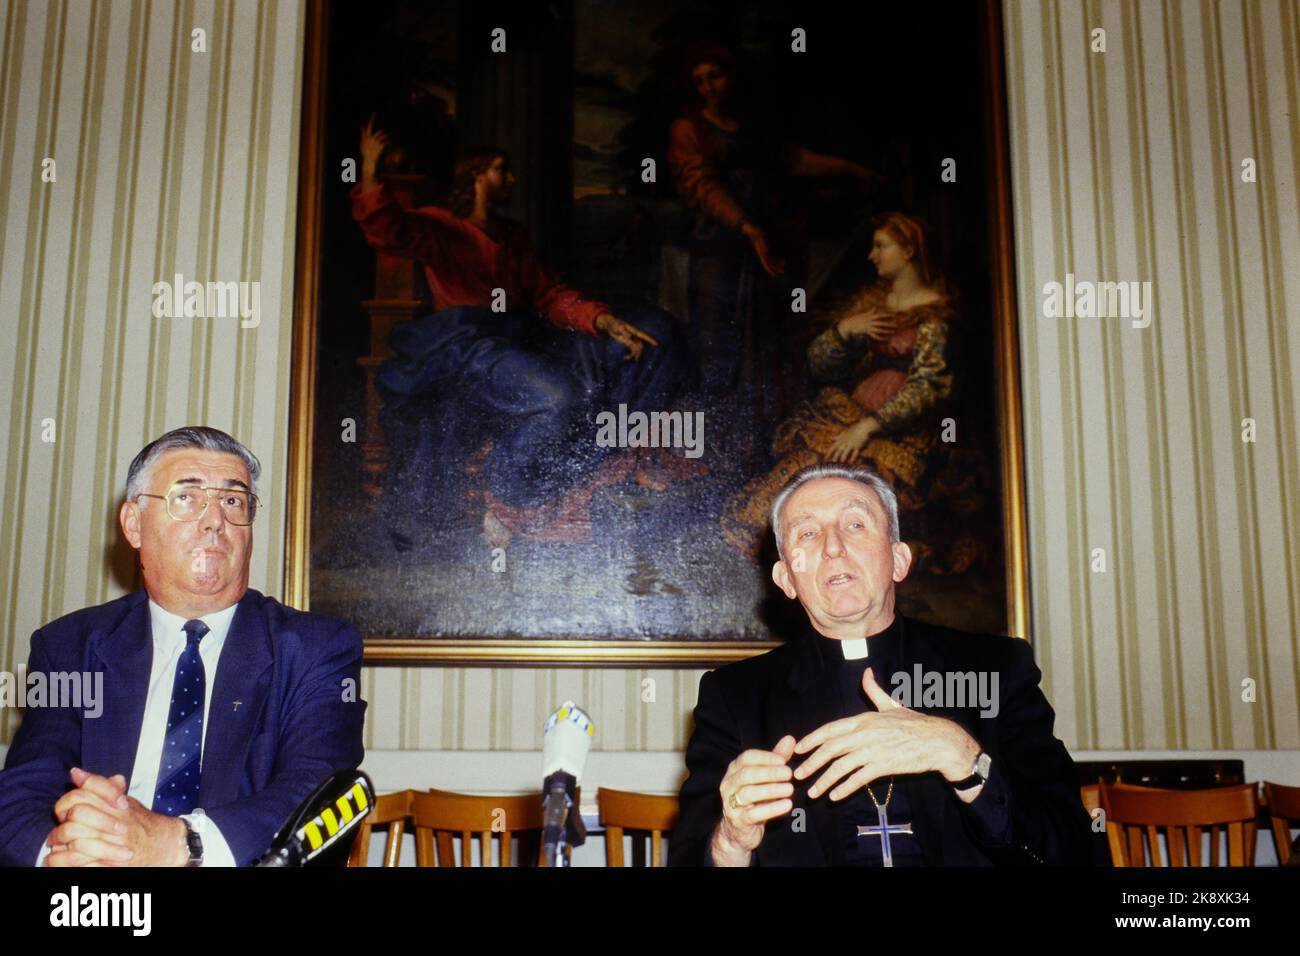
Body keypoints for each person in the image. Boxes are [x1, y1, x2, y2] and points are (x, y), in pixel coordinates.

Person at [671, 464, 1103, 866]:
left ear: (899, 560)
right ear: (786, 579)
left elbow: (1076, 850)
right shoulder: (734, 697)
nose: (833, 548)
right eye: (807, 534)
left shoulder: (995, 668)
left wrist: (963, 756)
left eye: (855, 525)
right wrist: (731, 838)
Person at [0, 427, 366, 867]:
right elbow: (23, 792)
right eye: (186, 498)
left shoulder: (317, 648)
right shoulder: (68, 647)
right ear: (133, 523)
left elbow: (320, 791)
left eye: (233, 501)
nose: (215, 520)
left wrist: (178, 842)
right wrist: (65, 854)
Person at [353, 119, 685, 544]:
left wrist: (601, 320)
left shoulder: (514, 237)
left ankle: (582, 472)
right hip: (471, 347)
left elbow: (549, 295)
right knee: (558, 396)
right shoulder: (440, 225)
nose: (510, 179)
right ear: (475, 175)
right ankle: (507, 491)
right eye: (500, 169)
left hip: (522, 340)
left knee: (651, 332)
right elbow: (384, 228)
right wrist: (368, 167)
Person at [667, 44, 878, 459]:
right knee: (720, 342)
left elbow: (793, 161)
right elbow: (702, 187)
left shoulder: (752, 128)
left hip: (768, 245)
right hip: (721, 250)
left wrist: (847, 169)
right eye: (700, 80)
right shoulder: (688, 130)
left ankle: (770, 439)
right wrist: (746, 227)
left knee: (772, 341)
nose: (709, 86)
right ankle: (719, 448)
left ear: (733, 76)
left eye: (716, 75)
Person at [722, 213, 966, 567]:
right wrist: (845, 331)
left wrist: (867, 427)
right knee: (800, 472)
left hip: (901, 430)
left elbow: (928, 387)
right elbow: (821, 366)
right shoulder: (868, 306)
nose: (872, 255)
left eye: (882, 246)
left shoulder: (935, 317)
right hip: (845, 413)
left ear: (910, 250)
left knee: (854, 488)